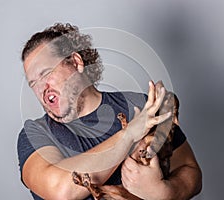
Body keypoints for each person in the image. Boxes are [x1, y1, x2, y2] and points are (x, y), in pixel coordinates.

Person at [17, 23, 202, 200]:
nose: (41, 87)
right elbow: (61, 190)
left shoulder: (142, 105)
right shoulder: (35, 134)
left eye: (45, 73)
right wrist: (129, 134)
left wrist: (163, 193)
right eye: (33, 83)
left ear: (75, 62)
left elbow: (189, 170)